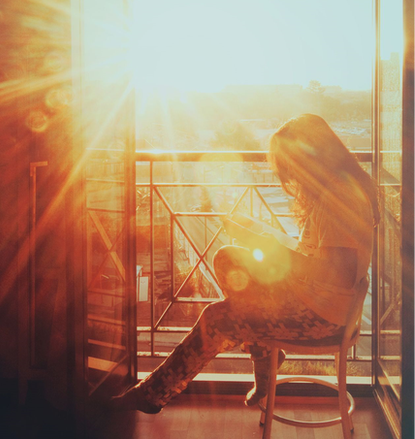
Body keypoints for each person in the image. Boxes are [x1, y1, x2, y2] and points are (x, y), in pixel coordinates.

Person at [111, 114, 379, 414]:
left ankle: (151, 394)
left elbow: (338, 275)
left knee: (217, 319)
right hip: (314, 298)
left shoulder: (337, 197)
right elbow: (315, 255)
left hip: (322, 316)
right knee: (229, 258)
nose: (288, 175)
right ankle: (265, 356)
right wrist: (259, 236)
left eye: (290, 164)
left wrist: (270, 248)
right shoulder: (335, 189)